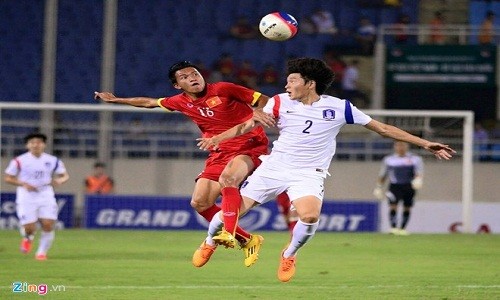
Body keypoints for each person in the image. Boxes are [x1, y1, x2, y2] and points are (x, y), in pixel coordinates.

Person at [196, 57, 455, 282]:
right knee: (233, 211)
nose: (286, 85)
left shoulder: (340, 107)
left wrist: (425, 144)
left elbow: (384, 129)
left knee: (309, 217)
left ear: (310, 83)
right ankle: (209, 244)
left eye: (292, 80)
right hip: (274, 167)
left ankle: (289, 255)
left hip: (309, 172)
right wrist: (220, 138)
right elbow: (248, 124)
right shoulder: (279, 102)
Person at [94, 60, 276, 268]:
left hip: (249, 144)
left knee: (229, 180)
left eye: (195, 73)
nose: (192, 77)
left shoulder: (224, 89)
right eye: (185, 77)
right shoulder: (179, 101)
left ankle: (225, 233)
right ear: (177, 85)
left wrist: (258, 112)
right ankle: (247, 239)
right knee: (200, 203)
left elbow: (263, 99)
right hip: (219, 150)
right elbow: (149, 103)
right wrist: (117, 100)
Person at [4, 133, 70, 260]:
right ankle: (28, 237)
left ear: (44, 144)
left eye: (39, 142)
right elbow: (8, 177)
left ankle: (41, 253)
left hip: (46, 194)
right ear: (27, 145)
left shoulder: (52, 160)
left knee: (48, 224)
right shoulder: (19, 160)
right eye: (32, 142)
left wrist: (60, 181)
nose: (36, 145)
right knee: (30, 227)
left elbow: (64, 175)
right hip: (26, 195)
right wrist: (23, 183)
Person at [372, 141, 423, 235]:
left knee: (407, 207)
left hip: (409, 186)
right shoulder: (389, 159)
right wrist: (378, 187)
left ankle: (403, 228)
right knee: (393, 205)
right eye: (398, 145)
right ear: (395, 147)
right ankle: (393, 227)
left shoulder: (415, 159)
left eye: (403, 145)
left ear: (407, 146)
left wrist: (418, 179)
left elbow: (418, 172)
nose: (401, 147)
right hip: (394, 186)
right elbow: (383, 174)